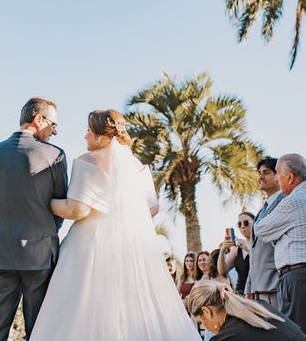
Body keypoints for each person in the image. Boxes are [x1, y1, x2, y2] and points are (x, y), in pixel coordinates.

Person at [30, 110, 200, 340]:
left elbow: (77, 209)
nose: (85, 135)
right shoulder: (138, 166)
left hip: (89, 246)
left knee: (80, 307)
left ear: (101, 136)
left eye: (89, 130)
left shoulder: (87, 160)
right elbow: (152, 208)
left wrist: (45, 202)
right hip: (131, 248)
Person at [0, 97, 68, 341]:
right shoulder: (55, 155)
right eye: (53, 124)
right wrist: (45, 229)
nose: (55, 131)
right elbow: (59, 205)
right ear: (38, 119)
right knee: (40, 331)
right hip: (39, 257)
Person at [254, 153, 306, 341]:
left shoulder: (293, 201)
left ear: (290, 177)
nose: (276, 178)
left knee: (301, 335)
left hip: (301, 280)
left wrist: (269, 205)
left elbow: (260, 229)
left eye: (277, 174)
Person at [187, 281, 306, 340]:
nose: (205, 327)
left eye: (200, 322)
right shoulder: (259, 306)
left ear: (206, 311)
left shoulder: (228, 336)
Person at [245, 156, 284, 306]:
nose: (260, 176)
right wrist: (250, 285)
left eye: (266, 172)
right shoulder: (262, 210)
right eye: (259, 172)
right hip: (258, 287)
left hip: (275, 285)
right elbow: (255, 251)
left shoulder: (285, 203)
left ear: (278, 176)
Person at [218, 212, 254, 295]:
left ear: (255, 223)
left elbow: (260, 264)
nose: (242, 226)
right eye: (239, 224)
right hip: (241, 293)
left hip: (258, 291)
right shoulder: (237, 249)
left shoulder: (262, 243)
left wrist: (247, 249)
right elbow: (222, 270)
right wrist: (222, 250)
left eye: (246, 223)